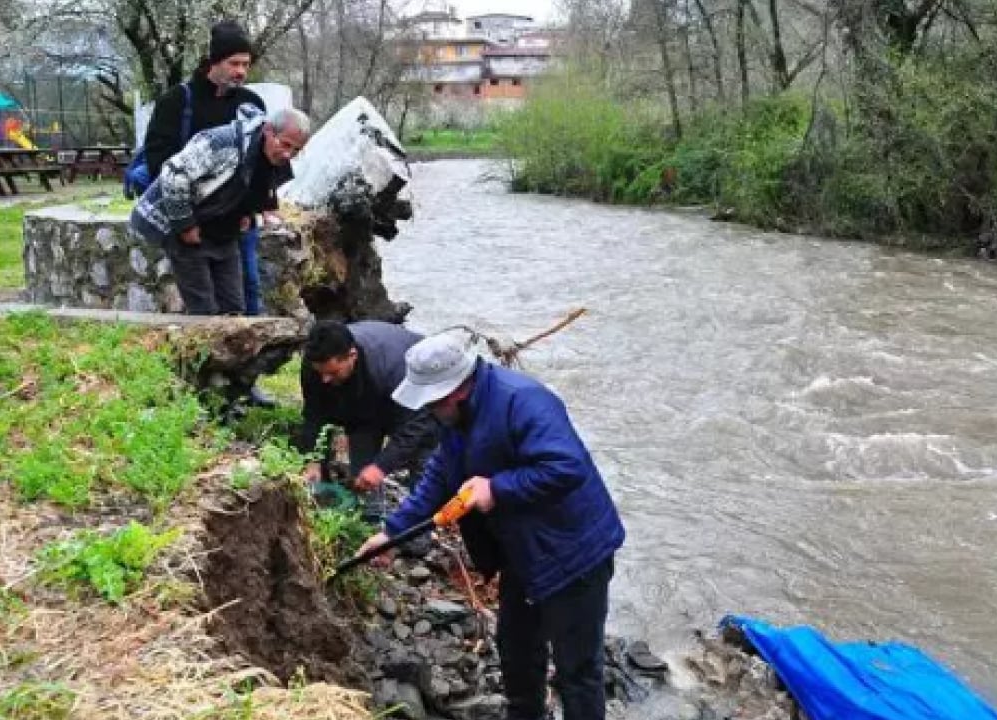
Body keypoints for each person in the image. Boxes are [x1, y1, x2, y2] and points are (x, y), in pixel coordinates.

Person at [356, 331, 625, 720]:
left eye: (432, 402)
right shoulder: (453, 417)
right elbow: (439, 475)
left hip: (574, 552)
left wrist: (496, 488)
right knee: (516, 650)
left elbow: (566, 466)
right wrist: (391, 533)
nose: (428, 410)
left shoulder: (524, 401)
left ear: (456, 391)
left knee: (578, 671)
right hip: (523, 553)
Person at [142, 19, 271, 316]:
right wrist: (184, 221)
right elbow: (159, 161)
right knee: (202, 304)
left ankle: (250, 354)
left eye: (246, 64)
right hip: (190, 220)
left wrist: (250, 210)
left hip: (233, 221)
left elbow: (257, 165)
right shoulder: (177, 102)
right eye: (233, 63)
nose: (240, 71)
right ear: (214, 61)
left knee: (247, 288)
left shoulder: (251, 105)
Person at [129, 105, 309, 316]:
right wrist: (184, 224)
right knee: (204, 310)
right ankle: (201, 347)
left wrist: (249, 214)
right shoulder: (220, 142)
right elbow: (173, 173)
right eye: (285, 144)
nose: (288, 154)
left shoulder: (274, 159)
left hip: (225, 233)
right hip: (187, 230)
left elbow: (252, 187)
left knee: (234, 308)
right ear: (268, 130)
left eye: (296, 150)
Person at [299, 321, 441, 518]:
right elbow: (313, 413)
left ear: (352, 356)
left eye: (332, 373)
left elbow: (416, 425)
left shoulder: (396, 368)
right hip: (363, 407)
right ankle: (370, 520)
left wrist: (382, 466)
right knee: (363, 470)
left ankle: (417, 536)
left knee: (423, 462)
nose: (325, 380)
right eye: (320, 372)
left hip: (416, 396)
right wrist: (312, 458)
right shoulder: (314, 365)